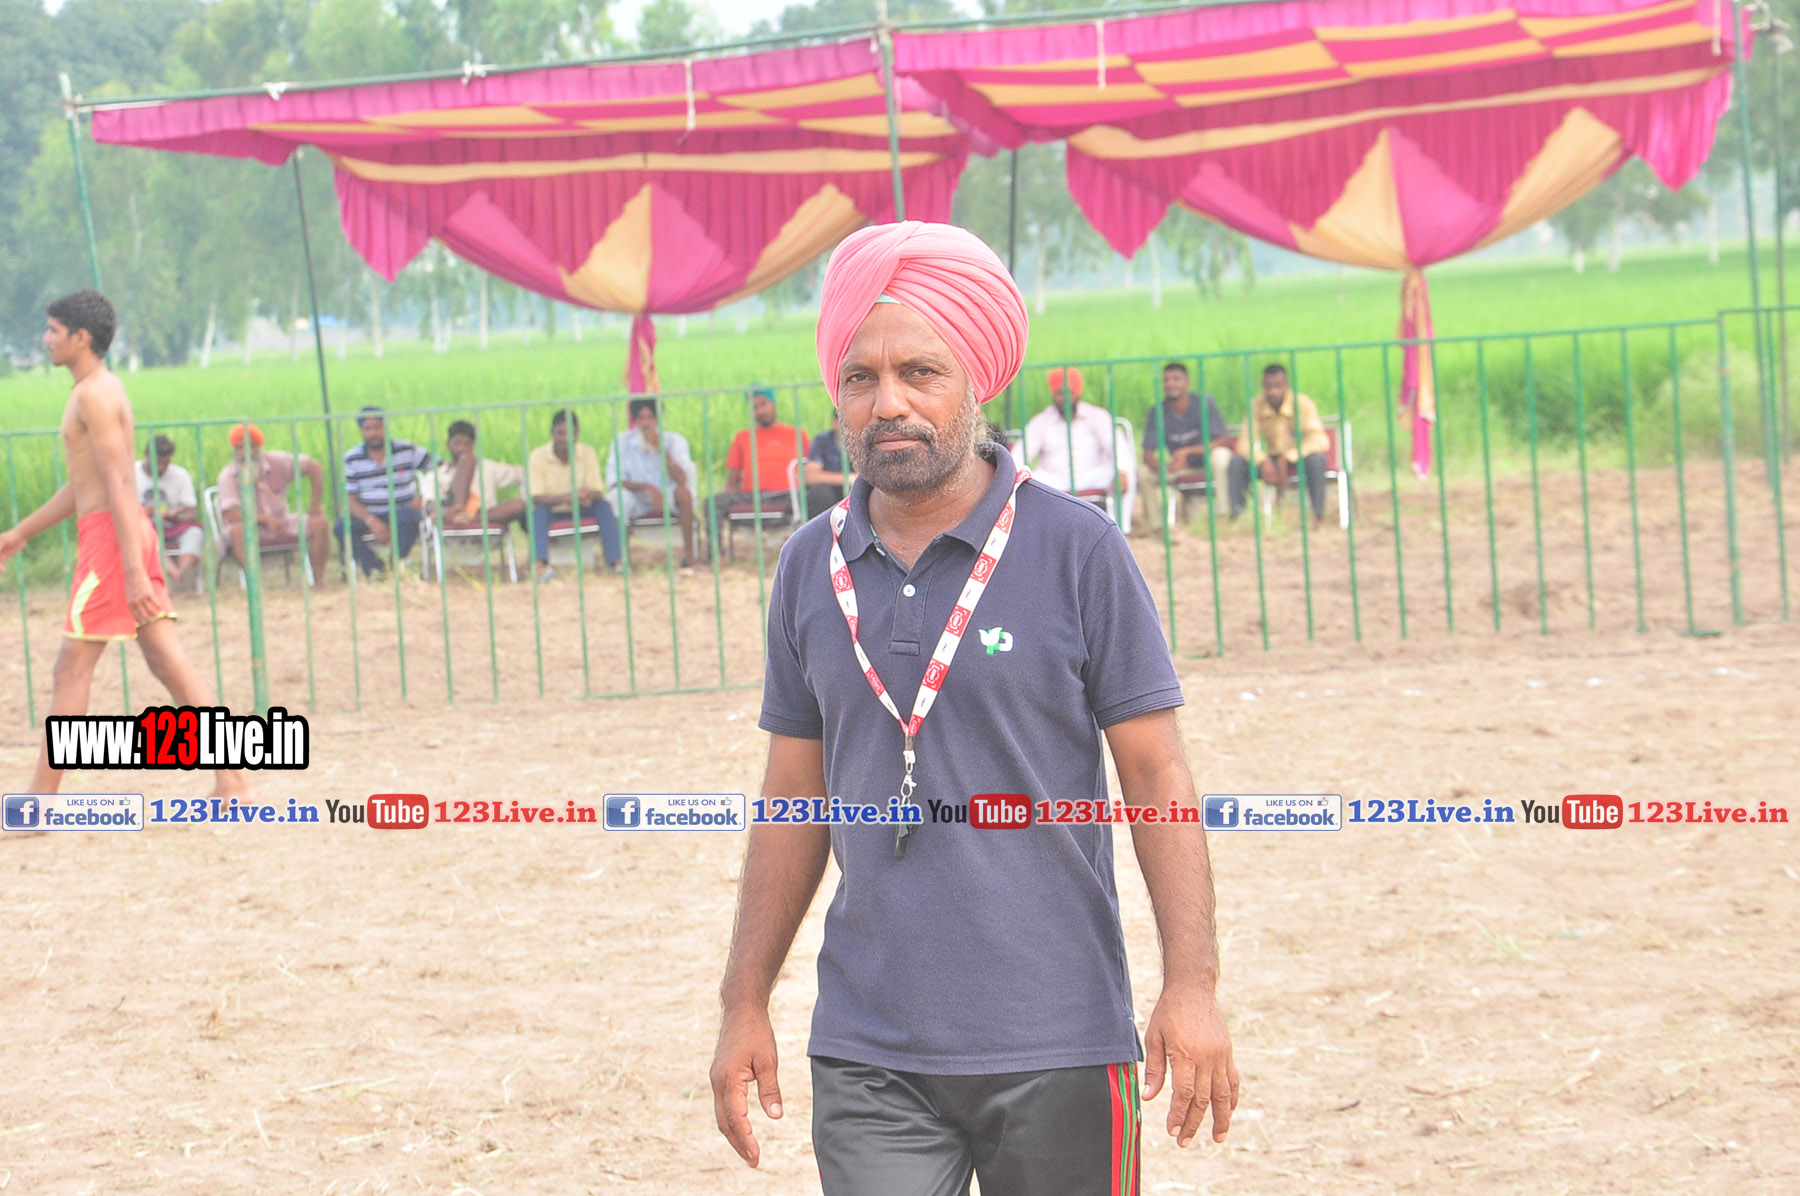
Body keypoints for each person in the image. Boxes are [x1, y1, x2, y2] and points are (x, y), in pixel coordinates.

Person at [709, 223, 1237, 1196]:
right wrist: (743, 1000)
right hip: (869, 1047)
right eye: (861, 378)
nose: (889, 403)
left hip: (1059, 1037)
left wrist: (1192, 985)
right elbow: (792, 796)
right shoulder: (809, 565)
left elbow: (1156, 772)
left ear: (977, 382)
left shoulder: (1078, 550)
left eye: (921, 371)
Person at [0, 290, 249, 798]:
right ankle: (233, 780)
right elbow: (86, 484)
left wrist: (133, 569)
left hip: (114, 541)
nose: (45, 339)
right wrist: (22, 533)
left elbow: (119, 483)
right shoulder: (93, 390)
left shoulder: (94, 394)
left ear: (80, 337)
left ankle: (39, 802)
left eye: (53, 331)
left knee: (71, 668)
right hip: (121, 535)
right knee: (166, 661)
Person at [216, 423, 329, 576]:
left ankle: (319, 581)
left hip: (282, 522)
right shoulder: (228, 475)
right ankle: (256, 584)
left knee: (320, 524)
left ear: (259, 447)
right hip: (250, 527)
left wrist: (315, 505)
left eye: (251, 446)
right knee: (238, 530)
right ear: (235, 451)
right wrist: (265, 519)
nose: (246, 452)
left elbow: (314, 466)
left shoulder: (277, 461)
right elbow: (233, 516)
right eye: (240, 448)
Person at [336, 405, 432, 577]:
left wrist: (425, 497)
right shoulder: (352, 458)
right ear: (362, 431)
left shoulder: (407, 450)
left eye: (377, 427)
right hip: (369, 513)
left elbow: (440, 469)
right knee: (341, 527)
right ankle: (375, 569)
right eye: (368, 429)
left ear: (385, 427)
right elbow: (350, 500)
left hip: (403, 509)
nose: (373, 433)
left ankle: (397, 563)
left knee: (410, 517)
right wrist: (372, 521)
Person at [527, 408, 621, 582]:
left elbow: (598, 491)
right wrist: (567, 497)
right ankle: (541, 565)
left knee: (604, 507)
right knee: (538, 513)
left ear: (577, 433)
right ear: (552, 433)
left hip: (581, 507)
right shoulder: (538, 456)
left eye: (570, 433)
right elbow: (536, 497)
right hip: (552, 510)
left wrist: (587, 495)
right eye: (560, 433)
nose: (565, 439)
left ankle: (616, 562)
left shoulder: (587, 453)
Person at [606, 399, 701, 568]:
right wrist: (646, 488)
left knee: (684, 493)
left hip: (668, 496)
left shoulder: (675, 441)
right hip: (636, 498)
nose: (646, 423)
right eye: (641, 418)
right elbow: (615, 480)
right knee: (617, 497)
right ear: (635, 420)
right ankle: (621, 561)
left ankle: (690, 558)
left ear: (658, 419)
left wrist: (661, 449)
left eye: (651, 417)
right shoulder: (621, 442)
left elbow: (682, 479)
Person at [1142, 362, 1243, 521]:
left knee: (1221, 455)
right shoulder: (1157, 412)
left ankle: (1222, 516)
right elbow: (1147, 454)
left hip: (1206, 464)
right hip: (1180, 468)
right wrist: (1163, 467)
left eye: (1176, 379)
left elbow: (1224, 440)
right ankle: (1157, 526)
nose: (1170, 384)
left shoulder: (1204, 403)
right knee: (1144, 473)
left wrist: (1187, 452)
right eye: (1166, 380)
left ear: (1187, 383)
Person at [1242, 363, 1330, 527]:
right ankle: (1238, 518)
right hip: (1270, 459)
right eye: (1268, 387)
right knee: (1236, 464)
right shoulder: (1256, 405)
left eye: (1278, 386)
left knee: (1317, 460)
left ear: (1287, 386)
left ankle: (1318, 516)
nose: (1273, 392)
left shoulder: (1303, 404)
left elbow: (1319, 440)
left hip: (1298, 457)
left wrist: (1290, 457)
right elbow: (1245, 443)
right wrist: (1262, 460)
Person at [1018, 366, 1124, 496]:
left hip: (1090, 478)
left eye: (1069, 392)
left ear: (1078, 393)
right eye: (1059, 393)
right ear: (1053, 395)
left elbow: (1117, 446)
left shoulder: (1097, 416)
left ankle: (1121, 511)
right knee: (1028, 480)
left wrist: (1121, 470)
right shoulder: (1041, 422)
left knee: (1122, 475)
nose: (1065, 398)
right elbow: (1019, 454)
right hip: (1054, 482)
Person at [711, 387, 808, 528]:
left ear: (773, 404)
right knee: (713, 503)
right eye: (754, 407)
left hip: (788, 496)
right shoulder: (743, 437)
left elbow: (809, 469)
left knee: (810, 499)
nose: (760, 411)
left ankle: (810, 540)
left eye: (763, 404)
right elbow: (732, 479)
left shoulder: (796, 434)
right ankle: (715, 543)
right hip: (751, 497)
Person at [425, 420, 526, 531]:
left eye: (467, 444)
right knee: (467, 459)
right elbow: (428, 504)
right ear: (448, 444)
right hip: (450, 513)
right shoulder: (436, 475)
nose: (462, 448)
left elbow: (523, 473)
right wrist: (446, 512)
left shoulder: (488, 467)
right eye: (457, 443)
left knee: (518, 505)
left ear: (473, 446)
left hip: (483, 516)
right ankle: (459, 510)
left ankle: (466, 517)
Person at [135, 434, 202, 583]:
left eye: (165, 463)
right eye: (158, 463)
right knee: (147, 535)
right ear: (146, 455)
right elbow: (123, 512)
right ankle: (179, 578)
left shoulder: (180, 475)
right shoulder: (131, 474)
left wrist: (175, 516)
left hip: (174, 525)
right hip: (144, 525)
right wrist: (148, 511)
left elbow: (191, 511)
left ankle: (185, 571)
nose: (161, 467)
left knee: (194, 532)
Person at [801, 424, 851, 520]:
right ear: (835, 423)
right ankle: (821, 526)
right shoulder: (822, 441)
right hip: (828, 490)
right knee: (820, 492)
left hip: (852, 488)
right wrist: (847, 478)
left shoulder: (860, 440)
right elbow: (811, 476)